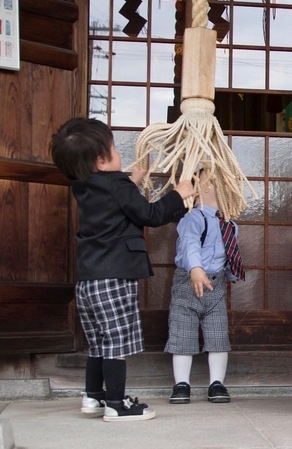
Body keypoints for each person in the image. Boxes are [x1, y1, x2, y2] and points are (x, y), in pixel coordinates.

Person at [50, 117, 195, 422]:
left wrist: (134, 182)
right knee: (117, 342)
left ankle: (94, 397)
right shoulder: (116, 184)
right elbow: (150, 214)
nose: (118, 152)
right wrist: (178, 194)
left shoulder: (84, 186)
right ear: (101, 161)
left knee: (98, 343)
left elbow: (114, 207)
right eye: (113, 148)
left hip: (88, 280)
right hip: (114, 277)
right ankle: (117, 404)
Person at [165, 168, 243, 405]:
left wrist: (230, 273)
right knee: (182, 333)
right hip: (188, 282)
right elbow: (189, 244)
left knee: (218, 334)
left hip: (215, 285)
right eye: (215, 182)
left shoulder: (229, 224)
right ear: (199, 190)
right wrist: (195, 268)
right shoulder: (193, 217)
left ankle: (216, 383)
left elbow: (230, 251)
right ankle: (181, 384)